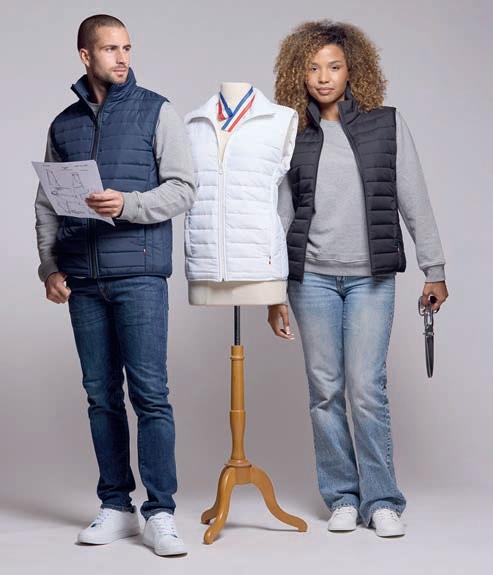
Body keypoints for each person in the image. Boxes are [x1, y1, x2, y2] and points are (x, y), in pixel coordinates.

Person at [268, 20, 449, 538]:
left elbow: (414, 197)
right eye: (313, 68)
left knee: (367, 389)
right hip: (311, 280)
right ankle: (343, 497)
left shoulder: (385, 125)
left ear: (353, 70)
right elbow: (281, 213)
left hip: (371, 278)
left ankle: (382, 500)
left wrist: (434, 269)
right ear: (298, 73)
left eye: (334, 66)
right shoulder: (291, 134)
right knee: (325, 391)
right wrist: (271, 289)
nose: (323, 77)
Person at [34, 14, 195, 556]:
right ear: (86, 55)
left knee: (150, 394)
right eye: (110, 49)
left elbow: (184, 188)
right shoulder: (63, 125)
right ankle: (116, 505)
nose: (122, 58)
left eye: (127, 48)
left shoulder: (157, 110)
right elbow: (46, 203)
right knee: (100, 396)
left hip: (140, 274)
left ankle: (161, 512)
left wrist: (128, 204)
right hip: (82, 279)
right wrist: (50, 268)